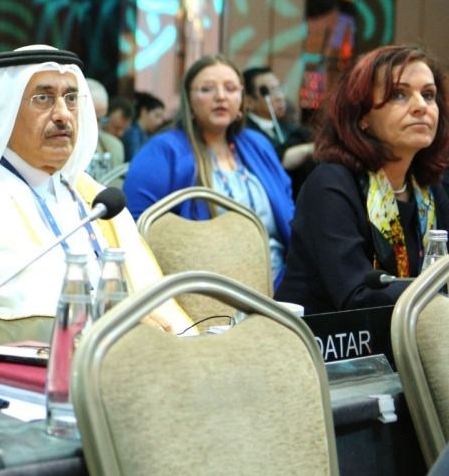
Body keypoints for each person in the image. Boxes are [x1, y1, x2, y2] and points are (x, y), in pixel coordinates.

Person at [0, 46, 188, 346]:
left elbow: (151, 293)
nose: (63, 114)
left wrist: (191, 344)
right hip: (26, 370)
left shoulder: (93, 196)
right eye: (43, 98)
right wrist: (125, 325)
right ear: (4, 110)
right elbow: (11, 310)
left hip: (128, 355)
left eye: (71, 98)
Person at [277, 46, 449, 313]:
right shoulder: (330, 185)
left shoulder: (431, 188)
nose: (421, 107)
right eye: (399, 94)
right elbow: (357, 296)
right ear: (362, 117)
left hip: (410, 331)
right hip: (317, 336)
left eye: (428, 95)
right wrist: (437, 293)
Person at [124, 55, 294, 284]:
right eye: (207, 89)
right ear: (189, 101)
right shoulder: (163, 151)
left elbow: (290, 215)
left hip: (278, 284)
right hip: (199, 288)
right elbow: (134, 228)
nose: (221, 96)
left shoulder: (258, 145)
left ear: (242, 100)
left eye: (230, 88)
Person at [242, 65, 316, 196]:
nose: (280, 96)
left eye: (279, 88)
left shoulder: (291, 128)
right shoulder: (244, 133)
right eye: (269, 92)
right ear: (249, 101)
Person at [86, 77, 125, 169]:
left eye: (100, 120)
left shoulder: (113, 147)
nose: (95, 126)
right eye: (89, 119)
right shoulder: (57, 146)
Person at [122, 90, 165, 159]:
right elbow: (135, 159)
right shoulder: (133, 133)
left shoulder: (147, 134)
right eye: (157, 116)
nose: (159, 122)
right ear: (144, 111)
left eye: (161, 118)